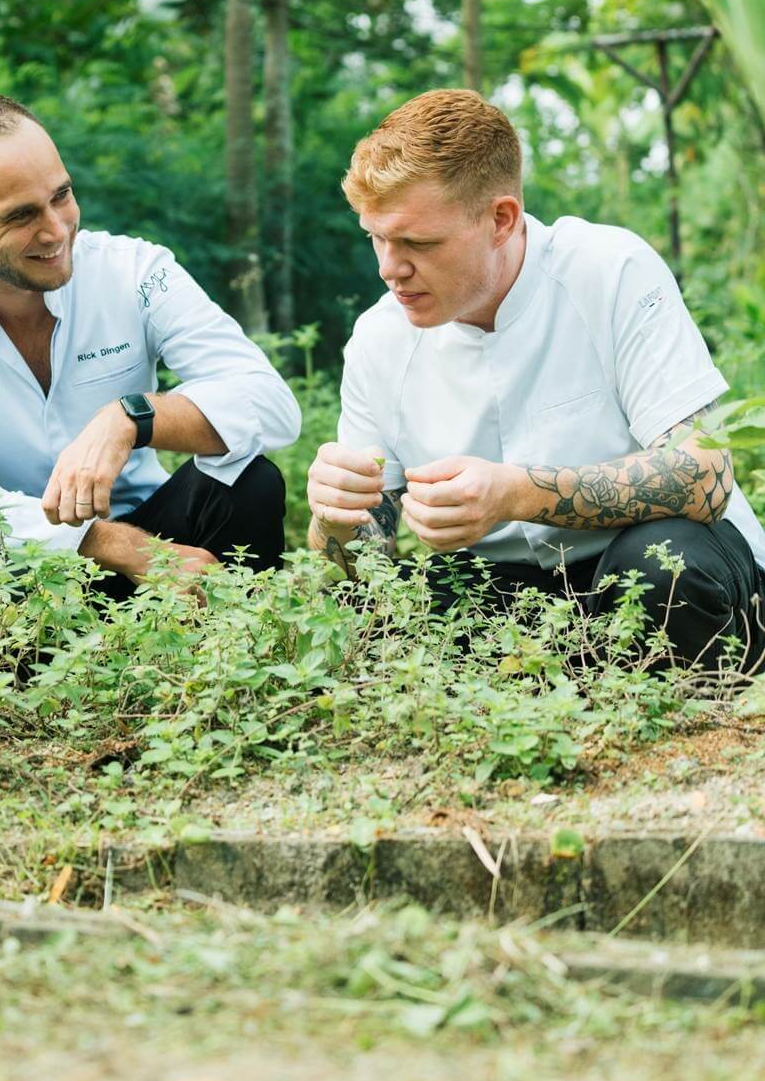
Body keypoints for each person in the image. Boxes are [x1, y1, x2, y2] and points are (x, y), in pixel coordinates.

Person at [307, 88, 765, 669]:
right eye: (376, 236)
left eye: (418, 243)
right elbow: (358, 562)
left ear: (501, 219)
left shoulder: (610, 269)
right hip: (504, 592)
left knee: (660, 565)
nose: (388, 268)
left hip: (652, 561)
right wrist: (334, 516)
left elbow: (706, 472)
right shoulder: (378, 338)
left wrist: (513, 493)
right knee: (388, 607)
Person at [0, 92, 300, 594]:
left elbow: (274, 409)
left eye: (61, 196)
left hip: (149, 526)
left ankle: (237, 657)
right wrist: (113, 544)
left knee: (250, 481)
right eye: (21, 216)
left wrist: (131, 418)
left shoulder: (137, 271)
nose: (55, 231)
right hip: (14, 567)